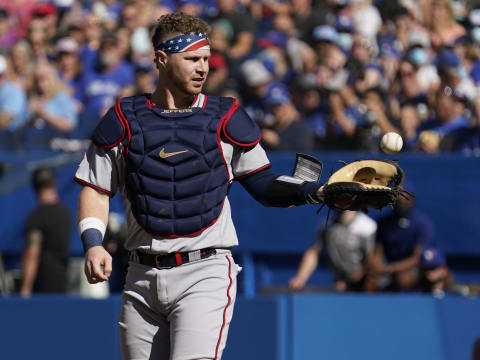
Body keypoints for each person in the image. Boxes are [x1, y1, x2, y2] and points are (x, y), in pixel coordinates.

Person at [74, 13, 325, 360]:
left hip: (203, 271)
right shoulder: (124, 117)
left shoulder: (225, 116)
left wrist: (313, 191)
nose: (202, 68)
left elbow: (264, 185)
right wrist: (93, 244)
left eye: (206, 59)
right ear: (161, 60)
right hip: (141, 274)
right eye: (192, 59)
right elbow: (96, 187)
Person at [289, 210, 377, 293]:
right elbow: (314, 252)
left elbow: (373, 263)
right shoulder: (327, 224)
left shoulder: (368, 227)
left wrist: (351, 283)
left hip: (365, 289)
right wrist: (300, 278)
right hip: (339, 287)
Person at [367, 188, 435, 292]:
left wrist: (390, 268)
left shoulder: (423, 223)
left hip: (415, 269)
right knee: (371, 281)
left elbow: (416, 258)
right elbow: (378, 252)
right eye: (397, 199)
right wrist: (375, 267)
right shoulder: (384, 223)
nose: (401, 203)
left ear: (412, 200)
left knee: (403, 279)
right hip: (389, 269)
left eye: (404, 199)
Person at [20, 165, 72, 298]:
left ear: (34, 187)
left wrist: (25, 288)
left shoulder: (37, 216)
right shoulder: (65, 213)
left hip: (42, 284)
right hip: (62, 281)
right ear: (55, 184)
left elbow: (32, 252)